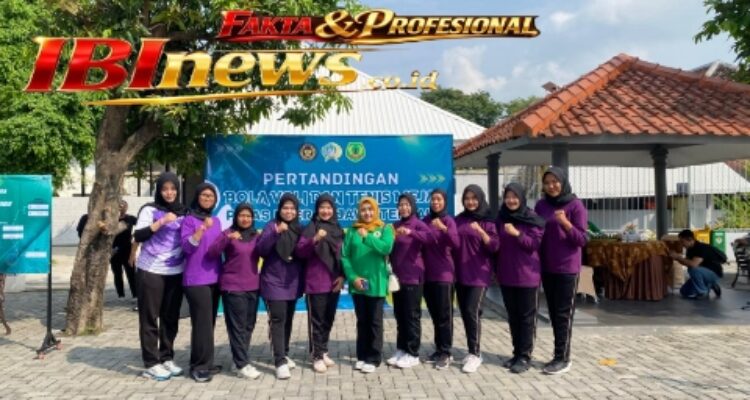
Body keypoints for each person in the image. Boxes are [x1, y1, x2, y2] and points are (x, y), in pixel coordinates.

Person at [132, 172, 188, 381]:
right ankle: (151, 363)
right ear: (159, 191)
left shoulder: (184, 211)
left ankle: (166, 357)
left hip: (175, 271)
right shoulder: (149, 209)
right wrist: (162, 221)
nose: (169, 193)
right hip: (151, 270)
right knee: (149, 317)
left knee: (170, 317)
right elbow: (138, 235)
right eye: (165, 189)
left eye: (173, 189)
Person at [534, 166, 588, 375]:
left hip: (567, 269)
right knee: (553, 313)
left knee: (563, 315)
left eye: (555, 182)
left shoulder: (575, 205)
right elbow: (536, 233)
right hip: (547, 267)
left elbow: (582, 239)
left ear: (563, 182)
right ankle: (558, 354)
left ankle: (562, 358)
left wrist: (566, 223)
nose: (551, 186)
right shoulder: (541, 205)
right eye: (547, 183)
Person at [208, 203, 262, 380]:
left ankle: (238, 359)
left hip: (253, 286)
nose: (245, 219)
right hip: (233, 287)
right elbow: (212, 252)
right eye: (241, 215)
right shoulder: (228, 233)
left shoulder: (255, 236)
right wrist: (228, 238)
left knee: (248, 325)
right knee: (237, 327)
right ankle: (242, 365)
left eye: (248, 216)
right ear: (236, 217)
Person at [495, 183, 545, 374]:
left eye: (515, 196)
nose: (511, 200)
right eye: (508, 196)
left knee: (526, 318)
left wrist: (517, 233)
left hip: (527, 276)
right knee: (513, 317)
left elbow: (533, 244)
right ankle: (516, 353)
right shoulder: (501, 218)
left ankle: (525, 356)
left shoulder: (532, 218)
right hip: (507, 275)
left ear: (522, 198)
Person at [342, 197, 394, 374]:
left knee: (375, 321)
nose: (367, 213)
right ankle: (362, 355)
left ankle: (374, 358)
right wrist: (352, 277)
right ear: (359, 212)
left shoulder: (385, 228)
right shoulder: (352, 231)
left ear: (376, 210)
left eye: (370, 209)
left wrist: (368, 237)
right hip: (358, 284)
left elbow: (386, 248)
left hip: (377, 282)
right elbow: (345, 256)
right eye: (363, 210)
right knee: (362, 321)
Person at [295, 194, 345, 374]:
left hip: (334, 282)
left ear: (333, 210)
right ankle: (316, 356)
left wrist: (342, 276)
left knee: (328, 319)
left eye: (329, 207)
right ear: (317, 209)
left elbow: (343, 255)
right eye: (322, 207)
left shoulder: (338, 228)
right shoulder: (311, 227)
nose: (326, 211)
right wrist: (315, 238)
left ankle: (323, 351)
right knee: (317, 321)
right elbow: (300, 251)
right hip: (316, 282)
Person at [256, 193, 304, 380]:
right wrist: (276, 232)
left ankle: (284, 352)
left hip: (292, 282)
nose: (289, 211)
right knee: (278, 319)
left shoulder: (299, 228)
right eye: (285, 208)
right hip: (273, 282)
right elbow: (261, 249)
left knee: (288, 319)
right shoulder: (272, 226)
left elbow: (304, 251)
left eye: (292, 208)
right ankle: (279, 362)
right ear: (279, 209)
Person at [453, 185, 499, 374]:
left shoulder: (488, 221)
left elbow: (495, 246)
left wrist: (481, 232)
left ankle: (476, 353)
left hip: (479, 275)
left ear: (480, 199)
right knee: (465, 312)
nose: (470, 202)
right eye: (467, 198)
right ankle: (471, 349)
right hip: (460, 273)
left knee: (472, 311)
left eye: (474, 198)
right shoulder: (458, 220)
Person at [180, 183, 222, 382]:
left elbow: (219, 246)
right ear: (197, 197)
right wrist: (202, 228)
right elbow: (186, 247)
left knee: (208, 323)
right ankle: (198, 366)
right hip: (196, 279)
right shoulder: (189, 220)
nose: (207, 199)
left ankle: (207, 361)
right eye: (204, 195)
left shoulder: (216, 220)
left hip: (215, 277)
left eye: (211, 196)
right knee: (201, 324)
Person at [387, 193, 435, 369]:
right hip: (398, 278)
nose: (404, 207)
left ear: (413, 206)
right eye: (401, 204)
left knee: (412, 316)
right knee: (400, 315)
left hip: (413, 277)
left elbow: (430, 238)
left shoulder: (418, 224)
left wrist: (411, 233)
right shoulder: (394, 226)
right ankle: (402, 349)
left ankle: (413, 353)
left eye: (407, 204)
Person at [422, 188, 459, 370]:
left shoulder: (448, 221)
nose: (435, 202)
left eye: (439, 199)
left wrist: (443, 229)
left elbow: (456, 243)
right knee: (435, 314)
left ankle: (446, 352)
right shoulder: (425, 220)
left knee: (445, 315)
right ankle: (438, 349)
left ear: (444, 202)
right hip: (427, 275)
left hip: (444, 275)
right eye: (433, 199)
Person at [77, 200, 138, 300]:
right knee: (117, 273)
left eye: (124, 205)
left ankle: (135, 294)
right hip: (113, 250)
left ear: (127, 207)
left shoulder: (130, 218)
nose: (121, 207)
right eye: (119, 205)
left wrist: (134, 235)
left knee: (131, 273)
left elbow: (142, 225)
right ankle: (121, 295)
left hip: (127, 249)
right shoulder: (109, 220)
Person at [670, 229, 724, 299]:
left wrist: (678, 257)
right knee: (684, 291)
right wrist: (676, 258)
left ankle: (703, 292)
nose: (681, 244)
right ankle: (710, 284)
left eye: (682, 241)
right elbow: (686, 262)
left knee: (693, 269)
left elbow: (693, 264)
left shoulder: (700, 247)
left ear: (689, 239)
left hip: (714, 273)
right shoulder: (690, 249)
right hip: (703, 273)